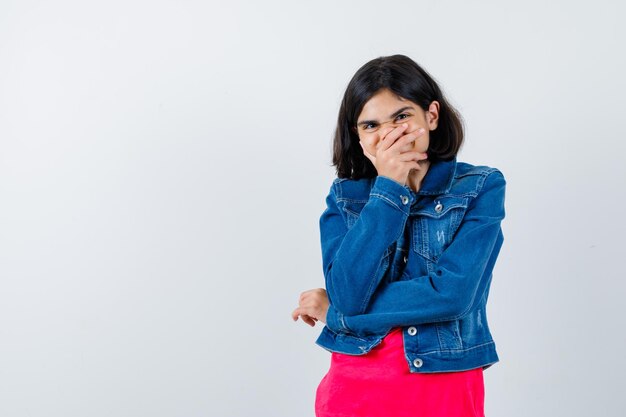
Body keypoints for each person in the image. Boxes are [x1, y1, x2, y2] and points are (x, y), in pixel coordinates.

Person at [291, 54, 506, 417]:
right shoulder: (345, 196)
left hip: (444, 383)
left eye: (402, 116)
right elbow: (348, 293)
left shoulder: (480, 186)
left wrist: (339, 317)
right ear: (358, 137)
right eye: (371, 125)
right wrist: (389, 189)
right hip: (354, 386)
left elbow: (452, 295)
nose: (389, 134)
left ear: (432, 116)